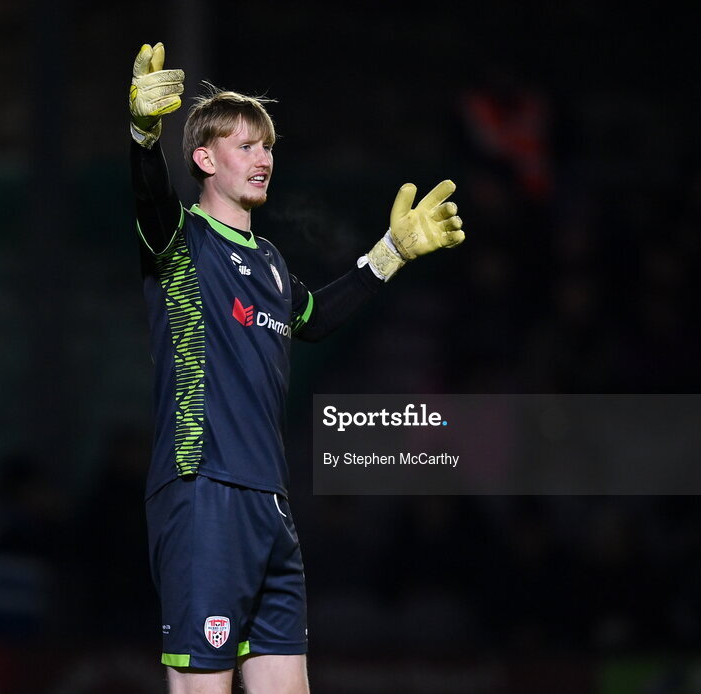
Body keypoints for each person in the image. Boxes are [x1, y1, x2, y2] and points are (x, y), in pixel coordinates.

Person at [128, 42, 465, 693]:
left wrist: (389, 253)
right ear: (204, 158)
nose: (264, 158)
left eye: (268, 146)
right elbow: (147, 196)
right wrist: (143, 135)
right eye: (246, 145)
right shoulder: (180, 242)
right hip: (205, 491)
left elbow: (315, 317)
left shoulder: (274, 264)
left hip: (269, 505)